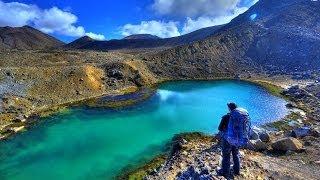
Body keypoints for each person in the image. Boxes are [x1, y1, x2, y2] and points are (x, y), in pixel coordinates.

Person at [217, 102, 251, 178]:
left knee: (226, 155)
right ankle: (237, 171)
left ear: (229, 108)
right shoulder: (242, 116)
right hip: (238, 139)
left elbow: (219, 128)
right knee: (235, 154)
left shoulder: (226, 117)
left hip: (227, 140)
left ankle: (225, 172)